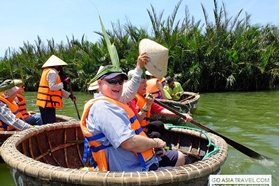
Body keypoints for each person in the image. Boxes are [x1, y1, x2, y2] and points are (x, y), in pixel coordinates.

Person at [80, 59, 190, 172]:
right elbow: (129, 142)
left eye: (120, 81)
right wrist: (156, 143)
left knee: (178, 155)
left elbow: (132, 91)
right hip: (131, 169)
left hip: (136, 159)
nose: (117, 85)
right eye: (112, 81)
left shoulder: (113, 102)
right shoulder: (103, 107)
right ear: (100, 83)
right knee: (181, 158)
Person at [128, 72, 192, 137]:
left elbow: (160, 110)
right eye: (142, 83)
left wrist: (181, 115)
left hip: (145, 127)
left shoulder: (144, 96)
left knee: (160, 124)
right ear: (133, 84)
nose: (146, 85)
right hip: (136, 131)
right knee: (156, 135)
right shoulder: (130, 99)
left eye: (145, 82)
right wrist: (147, 105)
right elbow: (137, 121)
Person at [36, 55, 76, 124]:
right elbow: (52, 87)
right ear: (56, 65)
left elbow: (58, 90)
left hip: (45, 103)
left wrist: (69, 95)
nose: (61, 68)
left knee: (48, 123)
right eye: (60, 65)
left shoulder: (46, 71)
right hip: (47, 103)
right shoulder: (52, 72)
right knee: (49, 124)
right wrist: (63, 83)